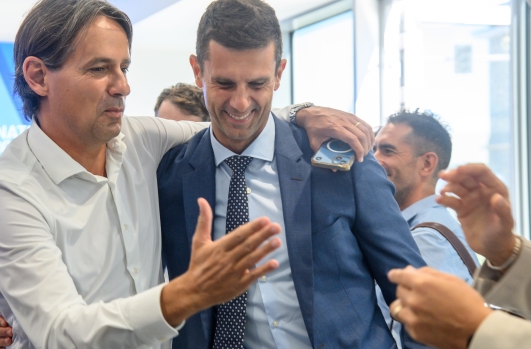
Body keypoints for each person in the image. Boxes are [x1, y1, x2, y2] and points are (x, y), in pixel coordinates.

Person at [0, 0, 375, 348]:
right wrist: (187, 293)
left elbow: (230, 124)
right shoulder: (10, 195)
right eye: (99, 69)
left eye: (124, 67)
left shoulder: (139, 140)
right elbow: (61, 333)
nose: (124, 86)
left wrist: (304, 112)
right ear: (38, 76)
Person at [155, 1, 427, 348]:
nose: (240, 103)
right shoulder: (170, 177)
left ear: (279, 73)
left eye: (257, 83)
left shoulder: (339, 159)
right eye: (224, 83)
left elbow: (415, 291)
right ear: (197, 71)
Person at [388, 163, 531, 349]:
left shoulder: (426, 236)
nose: (377, 158)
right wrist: (507, 253)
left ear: (427, 163)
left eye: (388, 151)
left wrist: (479, 330)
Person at [374, 109, 479, 281]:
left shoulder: (428, 239)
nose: (374, 160)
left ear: (426, 164)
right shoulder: (412, 230)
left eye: (388, 151)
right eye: (374, 150)